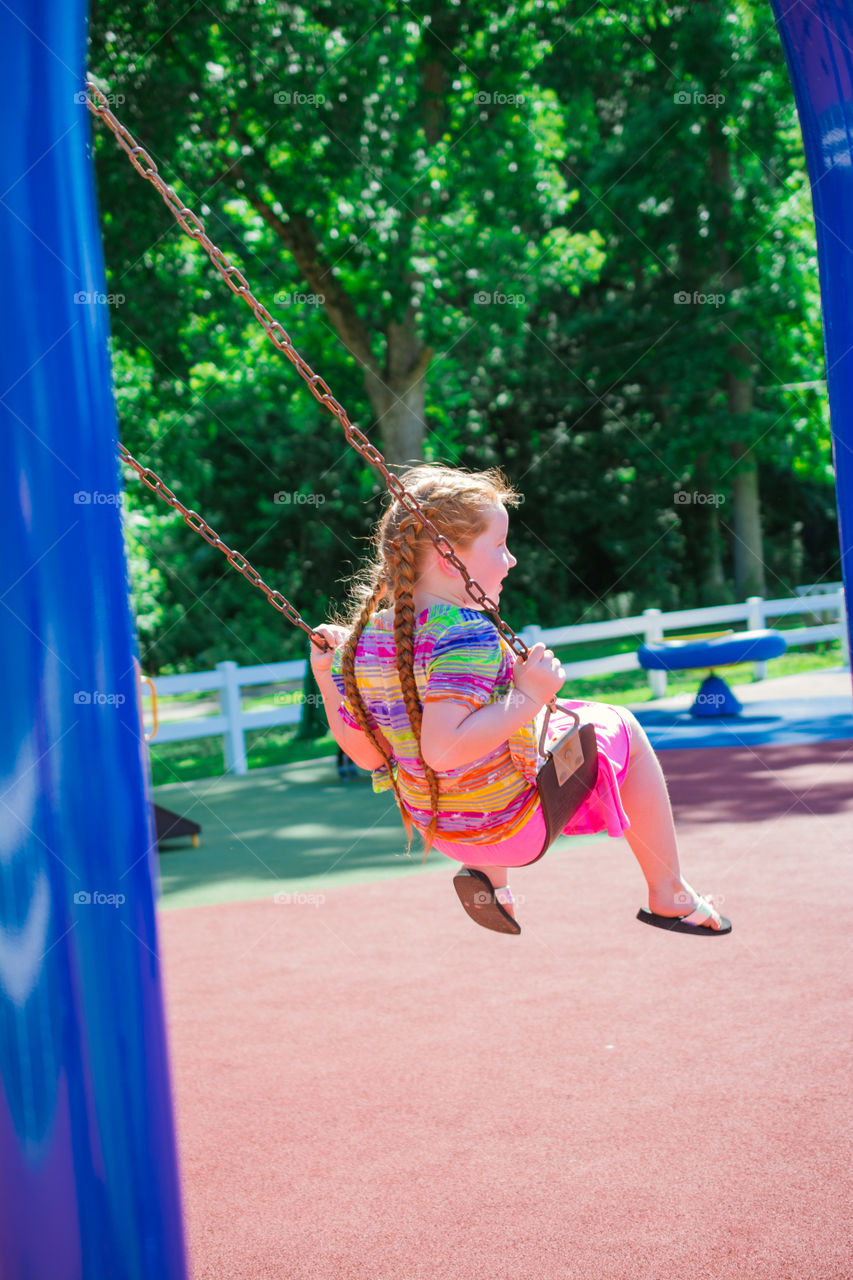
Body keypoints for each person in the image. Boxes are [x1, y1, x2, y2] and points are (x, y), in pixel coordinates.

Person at [310, 464, 731, 937]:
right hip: (514, 826)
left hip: (444, 828)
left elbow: (367, 756)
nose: (511, 560)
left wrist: (326, 680)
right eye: (499, 546)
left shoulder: (367, 640)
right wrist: (530, 694)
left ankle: (489, 880)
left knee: (536, 728)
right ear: (450, 557)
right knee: (622, 724)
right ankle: (669, 893)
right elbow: (443, 748)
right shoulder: (465, 633)